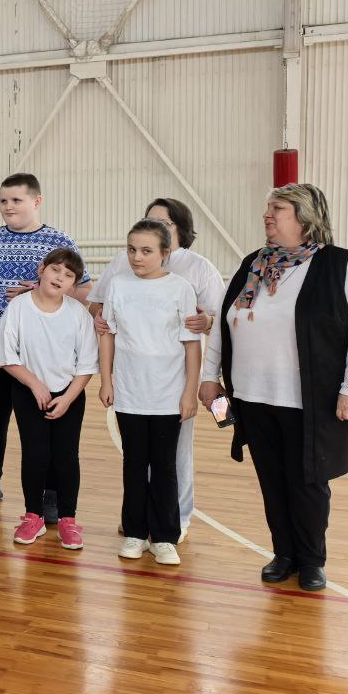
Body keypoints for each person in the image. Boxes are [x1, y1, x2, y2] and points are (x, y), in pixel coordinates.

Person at [199, 183, 348, 593]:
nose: (268, 214)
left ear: (305, 217)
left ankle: (311, 560)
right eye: (268, 207)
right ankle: (283, 554)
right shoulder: (252, 264)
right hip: (252, 397)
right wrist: (210, 377)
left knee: (308, 483)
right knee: (272, 481)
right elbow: (224, 326)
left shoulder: (339, 266)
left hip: (307, 400)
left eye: (278, 208)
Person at [90, 197, 223, 539]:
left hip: (174, 378)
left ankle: (175, 519)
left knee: (173, 456)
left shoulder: (197, 270)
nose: (138, 255)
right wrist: (101, 323)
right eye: (149, 220)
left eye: (164, 223)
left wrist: (206, 324)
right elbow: (99, 307)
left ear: (177, 231)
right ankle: (138, 520)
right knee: (136, 457)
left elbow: (217, 321)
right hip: (133, 379)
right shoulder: (122, 268)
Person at [0, 172, 91, 514]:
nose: (8, 206)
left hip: (41, 358)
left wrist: (37, 290)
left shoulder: (59, 241)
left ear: (37, 201)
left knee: (45, 427)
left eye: (16, 200)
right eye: (3, 200)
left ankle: (51, 493)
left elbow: (85, 291)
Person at [98, 219, 201, 566]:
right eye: (131, 250)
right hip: (130, 393)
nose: (137, 257)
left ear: (164, 253)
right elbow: (108, 335)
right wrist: (107, 380)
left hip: (168, 394)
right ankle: (135, 533)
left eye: (146, 251)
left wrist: (189, 392)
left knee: (165, 467)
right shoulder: (117, 285)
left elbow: (191, 345)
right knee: (133, 463)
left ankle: (165, 537)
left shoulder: (181, 289)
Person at [0, 248, 97, 549]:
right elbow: (7, 356)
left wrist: (68, 398)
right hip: (29, 392)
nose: (60, 277)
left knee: (66, 457)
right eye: (55, 270)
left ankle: (68, 520)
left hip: (69, 395)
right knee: (35, 455)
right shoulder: (18, 308)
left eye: (68, 275)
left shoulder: (78, 314)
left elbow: (87, 365)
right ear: (42, 270)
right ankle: (32, 516)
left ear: (74, 285)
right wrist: (35, 384)